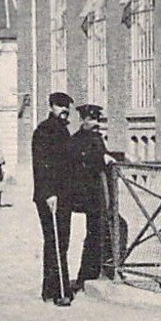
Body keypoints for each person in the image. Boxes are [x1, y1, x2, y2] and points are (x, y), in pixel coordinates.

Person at [31, 91, 77, 305]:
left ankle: (49, 289)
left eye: (66, 106)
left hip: (63, 196)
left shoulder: (64, 131)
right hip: (49, 197)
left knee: (60, 242)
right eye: (59, 105)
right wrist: (49, 193)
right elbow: (41, 165)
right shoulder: (44, 131)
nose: (64, 109)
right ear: (50, 106)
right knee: (56, 241)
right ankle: (60, 291)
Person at [70, 104, 112, 293]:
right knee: (96, 233)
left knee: (97, 233)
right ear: (83, 120)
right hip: (88, 196)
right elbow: (85, 163)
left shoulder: (92, 138)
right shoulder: (80, 140)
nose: (95, 124)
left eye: (97, 120)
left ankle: (92, 272)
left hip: (96, 195)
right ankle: (89, 274)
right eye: (91, 120)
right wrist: (102, 159)